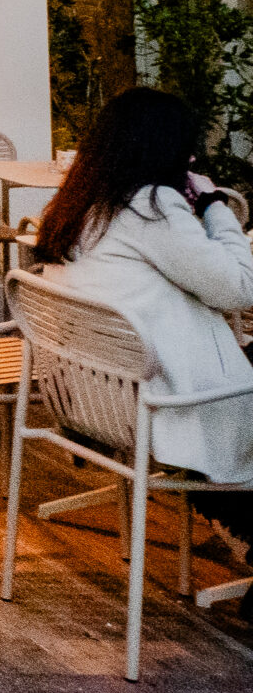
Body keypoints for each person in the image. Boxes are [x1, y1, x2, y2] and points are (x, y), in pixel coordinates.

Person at [33, 86, 253, 553]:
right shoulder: (151, 206)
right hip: (160, 404)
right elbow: (238, 288)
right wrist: (214, 206)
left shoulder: (80, 204)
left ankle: (237, 522)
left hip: (97, 397)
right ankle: (241, 520)